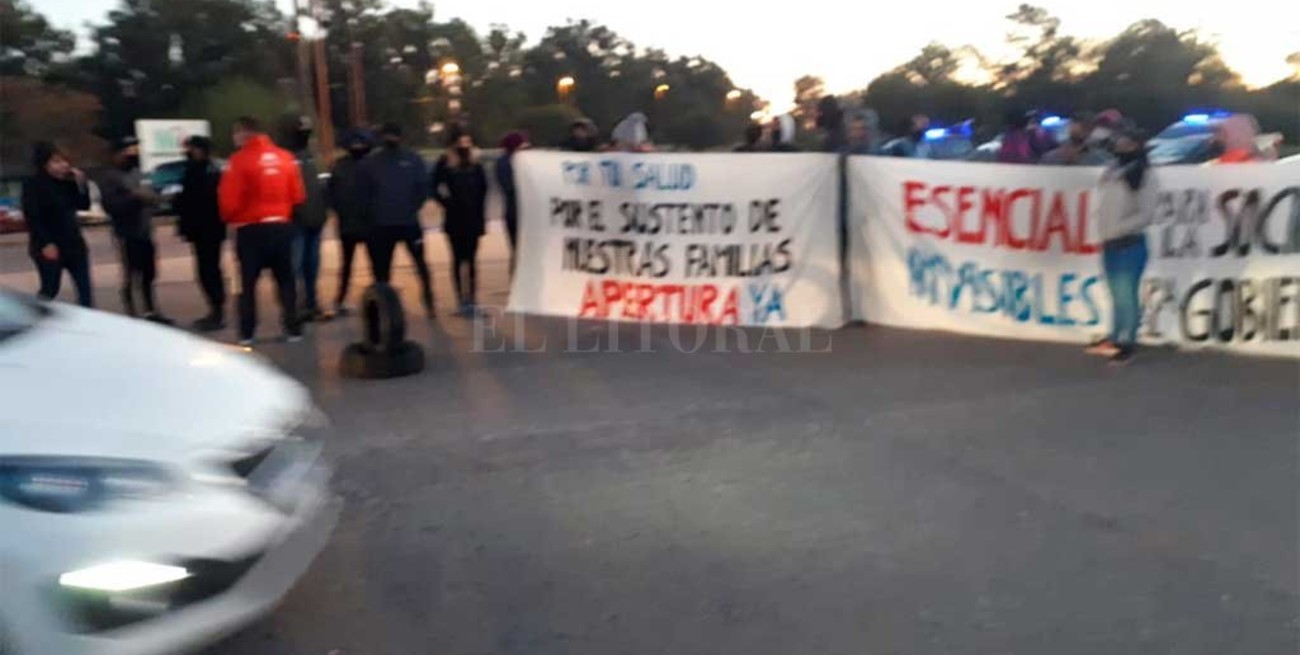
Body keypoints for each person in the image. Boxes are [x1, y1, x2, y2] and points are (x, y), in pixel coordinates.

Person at [218, 116, 306, 346]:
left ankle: (247, 333)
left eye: (235, 133)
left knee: (247, 284)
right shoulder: (286, 158)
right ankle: (293, 328)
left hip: (251, 230)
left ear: (242, 133)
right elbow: (298, 195)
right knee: (286, 281)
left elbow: (229, 200)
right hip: (282, 226)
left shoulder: (238, 161)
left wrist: (231, 218)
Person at [1087, 124, 1157, 365]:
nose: (1118, 145)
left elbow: (1147, 213)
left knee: (1126, 294)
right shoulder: (1114, 170)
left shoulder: (1144, 174)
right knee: (1117, 294)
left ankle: (1127, 341)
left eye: (1123, 141)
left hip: (1129, 243)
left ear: (1135, 145)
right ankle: (1116, 335)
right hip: (1110, 242)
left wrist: (1119, 227)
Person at [360, 122, 435, 318]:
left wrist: (410, 208)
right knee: (398, 268)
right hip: (392, 223)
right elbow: (422, 189)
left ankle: (424, 301)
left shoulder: (405, 159)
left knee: (389, 270)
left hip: (395, 222)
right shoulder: (407, 159)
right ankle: (423, 303)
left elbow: (422, 189)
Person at [100, 136, 171, 323]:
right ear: (117, 154)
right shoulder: (111, 177)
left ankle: (150, 311)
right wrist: (134, 197)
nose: (133, 153)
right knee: (132, 274)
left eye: (135, 149)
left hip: (144, 230)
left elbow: (152, 197)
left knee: (149, 273)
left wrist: (154, 199)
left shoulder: (138, 173)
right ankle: (132, 315)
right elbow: (111, 206)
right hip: (126, 233)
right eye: (129, 150)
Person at [21, 142, 93, 307]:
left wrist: (81, 184)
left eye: (64, 161)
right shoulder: (33, 184)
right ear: (44, 163)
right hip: (49, 245)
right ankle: (34, 316)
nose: (63, 166)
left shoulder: (67, 183)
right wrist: (46, 243)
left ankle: (87, 325)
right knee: (50, 288)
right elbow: (32, 216)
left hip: (74, 244)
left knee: (85, 292)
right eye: (56, 162)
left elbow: (83, 205)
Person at [431, 130, 489, 316]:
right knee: (457, 259)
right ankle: (460, 301)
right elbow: (433, 186)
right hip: (455, 218)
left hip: (473, 218)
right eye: (461, 141)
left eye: (467, 141)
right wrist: (446, 202)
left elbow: (483, 189)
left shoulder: (476, 163)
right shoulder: (446, 162)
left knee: (471, 260)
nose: (465, 144)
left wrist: (480, 215)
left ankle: (471, 298)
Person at [176, 135, 227, 331]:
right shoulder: (194, 170)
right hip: (200, 229)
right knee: (206, 270)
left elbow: (200, 200)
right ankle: (215, 309)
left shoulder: (209, 172)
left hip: (209, 228)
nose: (188, 153)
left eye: (191, 149)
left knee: (209, 270)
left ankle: (217, 311)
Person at [282, 115, 330, 321]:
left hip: (315, 220)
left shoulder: (312, 157)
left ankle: (311, 303)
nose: (304, 136)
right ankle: (294, 308)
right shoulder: (286, 158)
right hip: (296, 223)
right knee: (296, 267)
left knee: (311, 266)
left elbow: (323, 188)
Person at [327, 128, 375, 315]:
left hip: (347, 224)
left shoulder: (339, 166)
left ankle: (340, 299)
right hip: (369, 223)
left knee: (346, 264)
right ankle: (378, 298)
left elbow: (331, 195)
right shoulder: (372, 165)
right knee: (374, 264)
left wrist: (339, 212)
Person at [496, 130, 529, 267]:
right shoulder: (504, 163)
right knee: (517, 247)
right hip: (514, 211)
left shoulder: (524, 161)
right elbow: (508, 186)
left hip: (523, 211)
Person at [1041, 112, 1113, 166]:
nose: (1085, 130)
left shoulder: (1102, 158)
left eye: (1089, 127)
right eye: (1083, 125)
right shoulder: (1050, 158)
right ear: (1070, 125)